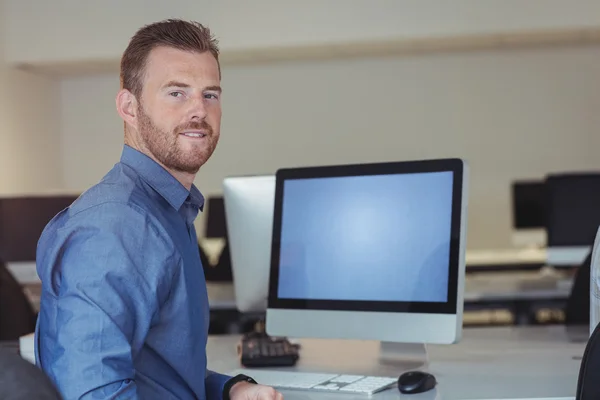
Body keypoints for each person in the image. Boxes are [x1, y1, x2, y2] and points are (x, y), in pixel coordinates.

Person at [34, 19, 282, 400]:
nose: (198, 109)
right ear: (128, 107)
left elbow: (160, 370)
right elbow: (94, 394)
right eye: (176, 93)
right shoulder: (115, 226)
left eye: (210, 94)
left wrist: (229, 390)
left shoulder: (168, 211)